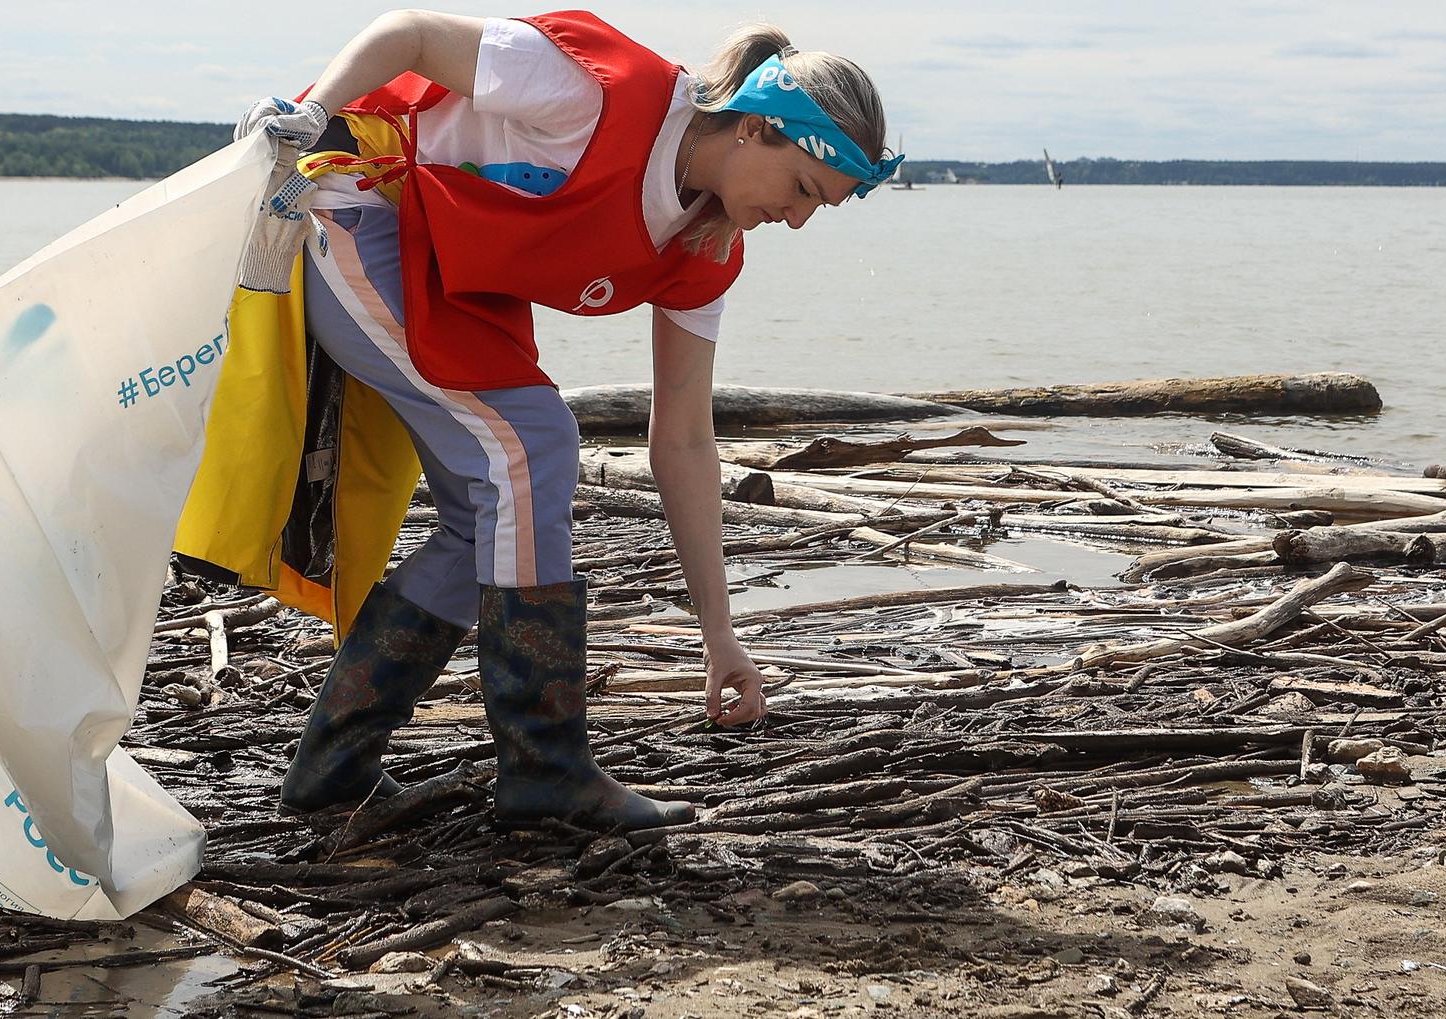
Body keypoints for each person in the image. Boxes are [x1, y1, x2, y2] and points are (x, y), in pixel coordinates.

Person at [176, 9, 902, 833]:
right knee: (537, 443)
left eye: (821, 207)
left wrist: (719, 636)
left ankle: (332, 770)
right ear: (758, 127)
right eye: (803, 189)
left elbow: (686, 442)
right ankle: (545, 766)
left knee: (478, 517)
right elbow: (409, 33)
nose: (797, 220)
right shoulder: (597, 94)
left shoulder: (704, 246)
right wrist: (305, 117)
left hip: (440, 271)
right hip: (349, 204)